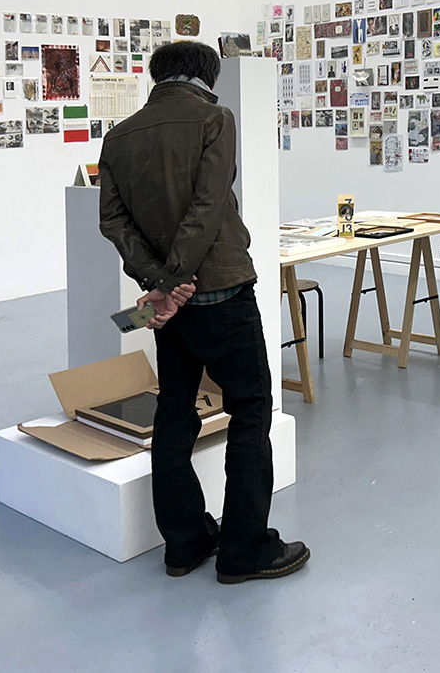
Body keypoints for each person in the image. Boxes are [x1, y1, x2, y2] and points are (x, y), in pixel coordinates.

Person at [98, 40, 309, 583]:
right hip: (218, 288)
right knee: (251, 408)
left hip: (171, 307)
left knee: (174, 411)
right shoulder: (215, 118)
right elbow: (209, 206)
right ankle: (244, 549)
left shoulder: (118, 136)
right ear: (206, 76)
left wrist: (158, 282)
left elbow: (113, 221)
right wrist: (175, 281)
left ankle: (185, 543)